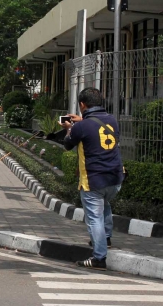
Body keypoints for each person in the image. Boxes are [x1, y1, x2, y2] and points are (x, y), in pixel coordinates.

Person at [60, 87, 124, 271]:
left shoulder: (80, 126)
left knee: (94, 218)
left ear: (82, 104)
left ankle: (99, 258)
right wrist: (81, 122)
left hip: (93, 179)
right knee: (105, 206)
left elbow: (67, 145)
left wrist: (69, 128)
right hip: (115, 179)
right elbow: (95, 129)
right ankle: (107, 238)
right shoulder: (112, 120)